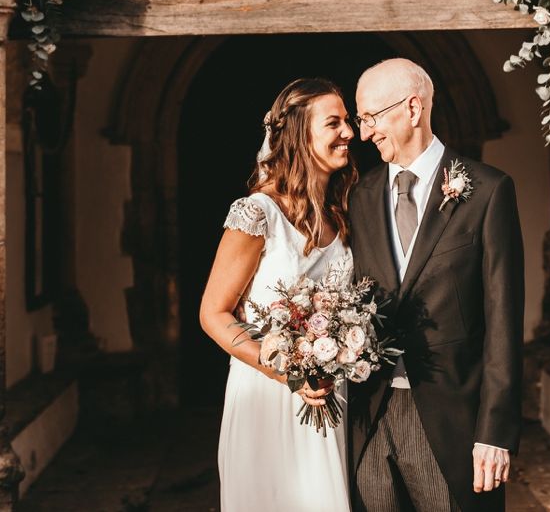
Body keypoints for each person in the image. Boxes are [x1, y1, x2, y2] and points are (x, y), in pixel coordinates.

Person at [349, 58, 524, 512]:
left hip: (455, 420)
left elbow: (503, 318)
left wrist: (495, 431)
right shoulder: (357, 196)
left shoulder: (487, 190)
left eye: (371, 117)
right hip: (370, 417)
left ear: (412, 109)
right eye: (360, 119)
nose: (364, 133)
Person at [200, 78, 356, 512]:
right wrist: (287, 371)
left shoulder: (341, 214)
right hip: (268, 399)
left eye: (348, 121)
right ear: (299, 136)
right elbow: (213, 314)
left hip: (332, 395)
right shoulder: (256, 212)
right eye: (334, 123)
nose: (349, 132)